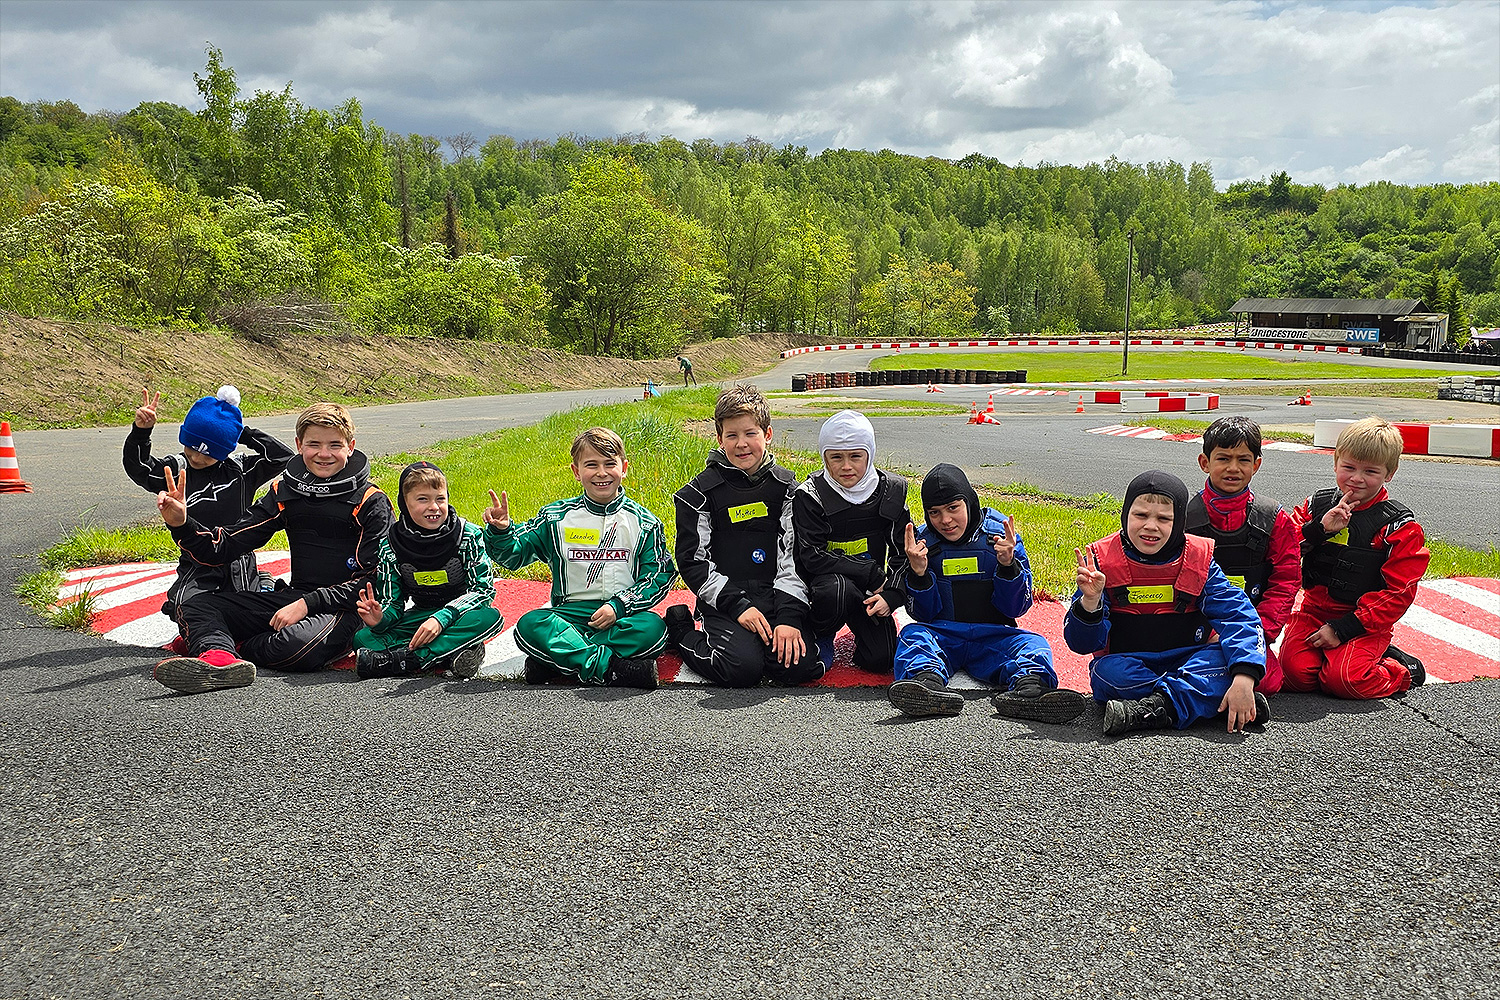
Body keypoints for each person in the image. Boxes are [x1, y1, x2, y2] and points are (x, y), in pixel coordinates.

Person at [152, 403, 393, 694]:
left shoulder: (370, 501)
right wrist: (182, 523)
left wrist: (308, 604)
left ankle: (219, 640)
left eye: (334, 445)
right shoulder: (285, 493)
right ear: (299, 445)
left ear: (351, 447)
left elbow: (377, 580)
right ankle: (220, 659)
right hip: (293, 599)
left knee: (297, 647)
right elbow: (224, 546)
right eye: (313, 444)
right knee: (194, 605)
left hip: (349, 609)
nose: (324, 454)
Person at [1066, 470, 1270, 737]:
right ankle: (1205, 701)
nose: (1151, 526)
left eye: (1164, 518)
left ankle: (1152, 710)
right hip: (1131, 664)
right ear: (1125, 514)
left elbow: (1239, 616)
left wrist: (1244, 677)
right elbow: (1080, 644)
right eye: (1140, 515)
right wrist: (1089, 603)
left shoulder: (1199, 561)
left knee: (1226, 662)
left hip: (1191, 658)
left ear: (1180, 522)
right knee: (1107, 675)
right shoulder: (1101, 563)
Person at [889, 463, 1082, 721]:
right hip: (944, 634)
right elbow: (922, 615)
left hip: (993, 634)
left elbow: (1017, 609)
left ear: (968, 501)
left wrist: (1008, 566)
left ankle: (1030, 692)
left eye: (953, 508)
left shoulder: (1000, 537)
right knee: (913, 635)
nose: (945, 520)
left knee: (1034, 644)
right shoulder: (924, 545)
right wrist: (919, 573)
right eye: (934, 512)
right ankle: (926, 686)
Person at [484, 426, 673, 689]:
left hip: (621, 616)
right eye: (591, 465)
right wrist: (501, 531)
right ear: (576, 471)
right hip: (568, 615)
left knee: (653, 629)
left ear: (624, 467)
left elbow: (659, 575)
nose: (602, 473)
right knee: (530, 625)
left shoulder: (644, 522)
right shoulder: (555, 518)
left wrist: (618, 607)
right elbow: (514, 555)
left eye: (610, 464)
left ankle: (558, 659)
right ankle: (610, 669)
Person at [664, 384, 823, 687]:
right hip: (725, 599)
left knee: (797, 668)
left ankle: (778, 631)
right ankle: (681, 629)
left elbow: (796, 557)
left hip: (776, 596)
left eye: (750, 433)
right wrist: (738, 606)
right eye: (731, 436)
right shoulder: (697, 495)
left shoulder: (790, 490)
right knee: (742, 668)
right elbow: (692, 563)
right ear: (720, 439)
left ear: (767, 434)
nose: (742, 444)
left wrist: (789, 616)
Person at [123, 385, 293, 644]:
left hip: (238, 556)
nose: (197, 456)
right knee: (183, 605)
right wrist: (141, 431)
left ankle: (261, 584)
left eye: (208, 452)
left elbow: (283, 457)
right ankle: (205, 630)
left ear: (225, 450)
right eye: (191, 446)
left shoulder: (241, 470)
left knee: (248, 614)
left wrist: (239, 431)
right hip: (197, 558)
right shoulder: (175, 469)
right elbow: (138, 467)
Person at [1280, 417, 1430, 699]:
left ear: (1390, 473)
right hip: (1313, 612)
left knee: (1344, 682)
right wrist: (1319, 530)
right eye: (1348, 467)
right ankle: (1342, 657)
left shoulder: (1399, 526)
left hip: (1365, 622)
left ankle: (1400, 668)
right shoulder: (1316, 506)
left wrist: (1345, 628)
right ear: (1335, 463)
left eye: (1370, 471)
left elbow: (1399, 592)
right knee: (1292, 675)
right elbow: (1283, 550)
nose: (1357, 478)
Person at [351, 461, 504, 680]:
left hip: (459, 615)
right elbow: (393, 604)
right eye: (423, 499)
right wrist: (380, 619)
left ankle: (409, 659)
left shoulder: (468, 535)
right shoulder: (390, 545)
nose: (434, 507)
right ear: (404, 503)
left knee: (490, 617)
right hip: (420, 615)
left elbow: (483, 591)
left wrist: (442, 617)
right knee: (364, 638)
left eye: (440, 498)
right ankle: (452, 651)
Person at [1183, 416, 1299, 693]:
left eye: (1243, 460)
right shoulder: (1184, 517)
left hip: (1252, 627)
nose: (1233, 468)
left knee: (1269, 682)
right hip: (1197, 629)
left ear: (1256, 465)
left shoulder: (1275, 519)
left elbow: (1287, 581)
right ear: (1205, 463)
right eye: (1223, 458)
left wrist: (1260, 633)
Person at [792, 410, 910, 674]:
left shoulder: (890, 492)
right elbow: (810, 556)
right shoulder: (810, 496)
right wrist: (868, 571)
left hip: (871, 593)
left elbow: (904, 554)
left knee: (881, 659)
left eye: (856, 456)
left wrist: (891, 595)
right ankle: (821, 632)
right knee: (837, 590)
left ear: (869, 453)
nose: (846, 466)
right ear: (824, 457)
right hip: (825, 590)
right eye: (836, 457)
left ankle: (860, 633)